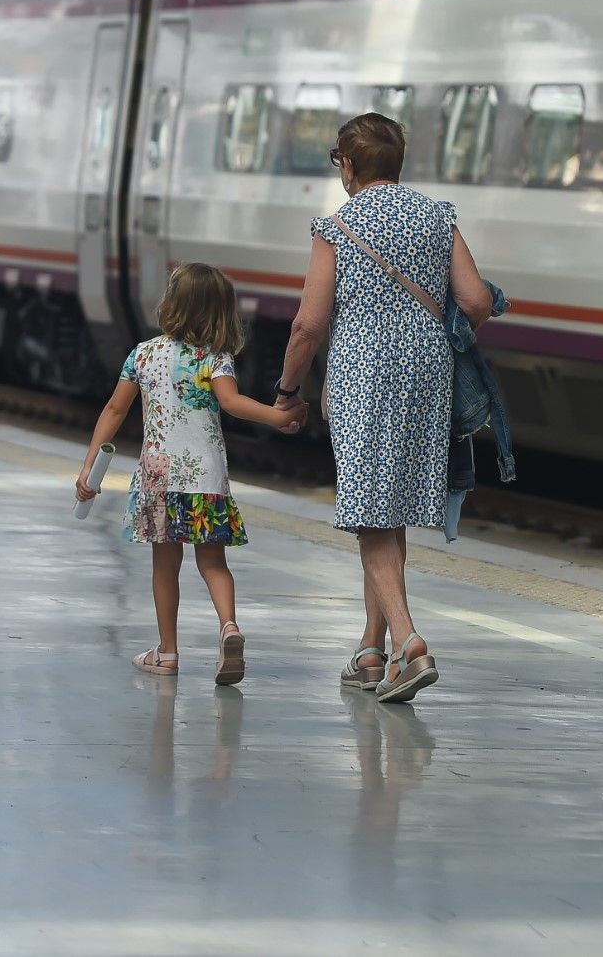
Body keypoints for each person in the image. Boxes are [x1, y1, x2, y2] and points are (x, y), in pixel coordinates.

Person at [274, 112, 495, 704]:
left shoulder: (338, 226)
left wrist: (289, 389)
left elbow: (308, 324)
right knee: (388, 507)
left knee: (371, 512)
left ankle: (409, 642)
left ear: (347, 166)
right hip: (428, 375)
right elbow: (474, 298)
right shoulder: (436, 214)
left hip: (364, 377)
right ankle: (372, 651)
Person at [77, 262, 300, 685]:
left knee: (165, 567)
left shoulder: (142, 354)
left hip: (160, 482)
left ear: (171, 304)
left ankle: (167, 653)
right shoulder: (215, 358)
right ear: (221, 312)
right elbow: (232, 404)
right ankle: (229, 627)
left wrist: (91, 467)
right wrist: (277, 417)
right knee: (214, 564)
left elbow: (115, 410)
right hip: (207, 480)